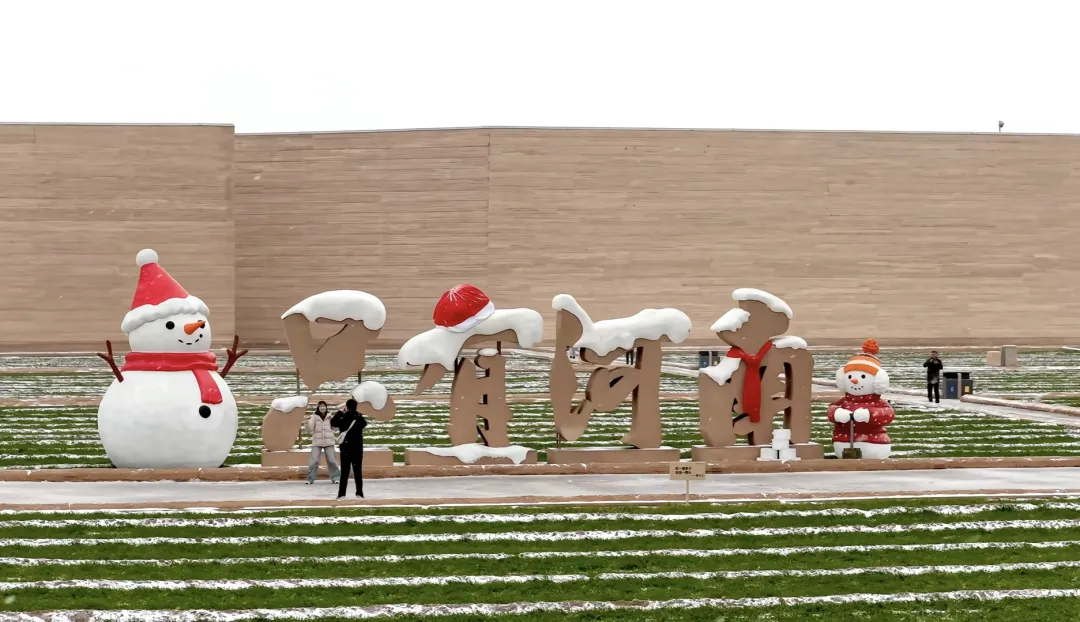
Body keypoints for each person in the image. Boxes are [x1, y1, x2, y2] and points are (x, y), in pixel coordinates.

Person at [331, 398, 368, 499]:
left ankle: (341, 494)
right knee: (357, 472)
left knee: (344, 472)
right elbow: (364, 424)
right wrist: (358, 414)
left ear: (346, 407)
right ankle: (359, 493)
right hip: (357, 448)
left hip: (345, 448)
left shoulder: (343, 416)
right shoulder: (358, 417)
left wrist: (339, 413)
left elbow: (333, 423)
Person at [305, 401, 340, 485]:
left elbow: (336, 429)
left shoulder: (330, 416)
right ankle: (310, 479)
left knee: (332, 460)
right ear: (318, 407)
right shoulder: (314, 417)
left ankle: (336, 478)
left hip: (329, 442)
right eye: (320, 406)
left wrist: (336, 420)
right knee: (314, 461)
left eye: (324, 406)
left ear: (326, 407)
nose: (322, 408)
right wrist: (307, 423)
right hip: (317, 442)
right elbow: (309, 430)